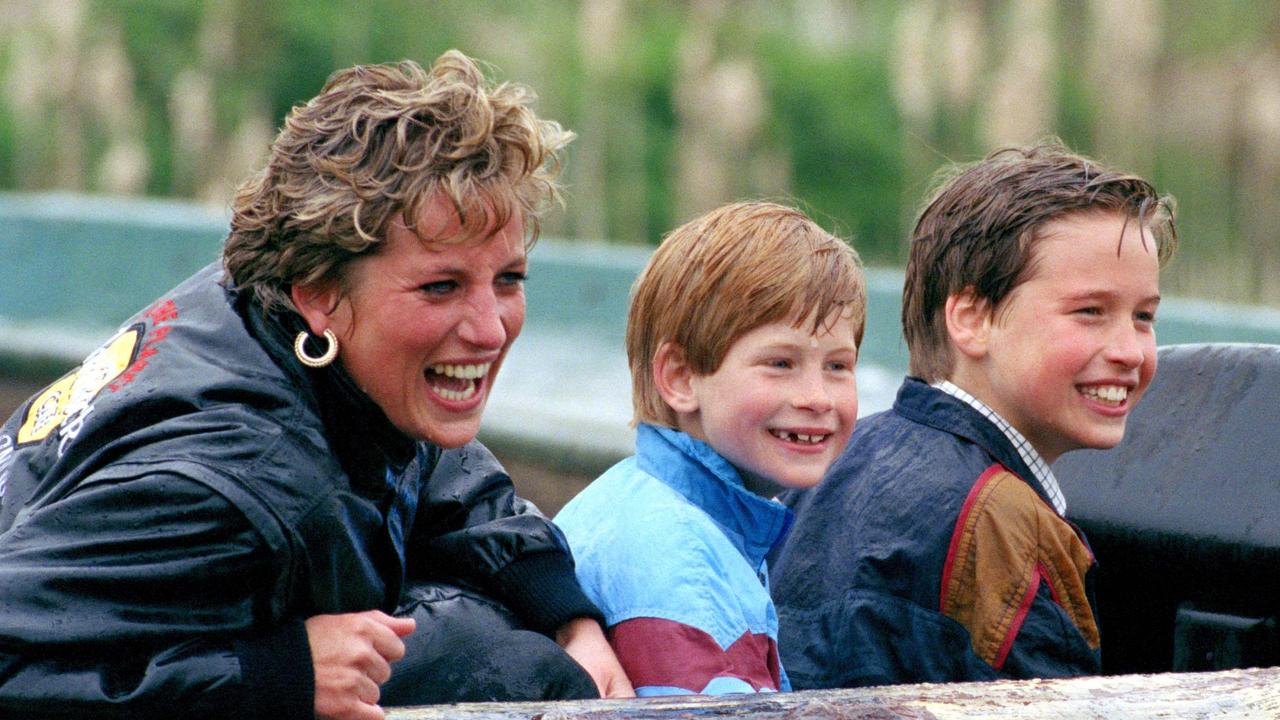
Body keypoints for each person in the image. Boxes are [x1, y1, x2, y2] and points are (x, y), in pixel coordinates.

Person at [0, 50, 633, 719]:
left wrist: (566, 612)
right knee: (509, 669)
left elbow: (435, 465)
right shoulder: (234, 485)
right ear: (320, 295)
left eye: (509, 279)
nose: (489, 328)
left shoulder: (272, 321)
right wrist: (275, 675)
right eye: (441, 287)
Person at [770, 140, 1178, 689]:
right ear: (971, 319)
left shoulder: (831, 464)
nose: (1130, 350)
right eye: (1090, 312)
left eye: (1144, 317)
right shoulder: (1009, 528)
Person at [554, 201, 867, 696]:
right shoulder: (684, 574)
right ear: (680, 378)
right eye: (780, 363)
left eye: (837, 366)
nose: (817, 398)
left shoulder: (646, 499)